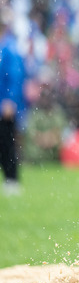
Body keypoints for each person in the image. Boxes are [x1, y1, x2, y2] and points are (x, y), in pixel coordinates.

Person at [0, 21, 26, 195]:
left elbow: (15, 77)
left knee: (6, 141)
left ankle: (12, 178)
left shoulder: (10, 49)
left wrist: (10, 99)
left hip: (5, 105)